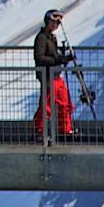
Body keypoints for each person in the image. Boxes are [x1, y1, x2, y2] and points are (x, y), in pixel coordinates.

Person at [32, 9, 75, 141]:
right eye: (54, 22)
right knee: (47, 105)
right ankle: (39, 130)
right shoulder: (41, 38)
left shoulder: (51, 38)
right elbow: (40, 58)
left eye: (58, 22)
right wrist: (58, 60)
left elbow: (53, 56)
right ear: (47, 22)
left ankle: (65, 129)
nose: (56, 25)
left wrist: (64, 58)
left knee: (64, 103)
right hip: (47, 76)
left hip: (56, 75)